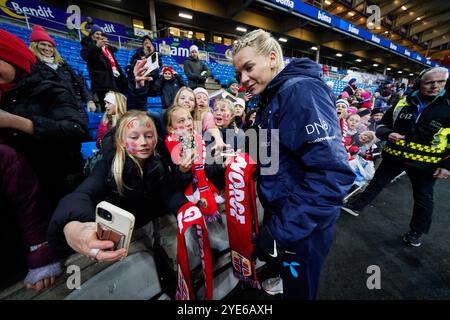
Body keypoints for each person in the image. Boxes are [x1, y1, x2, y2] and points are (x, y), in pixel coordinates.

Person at [232, 29, 355, 299]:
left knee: (299, 290)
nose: (243, 80)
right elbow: (273, 154)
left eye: (249, 67)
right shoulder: (271, 96)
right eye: (238, 73)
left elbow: (332, 174)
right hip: (290, 217)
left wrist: (280, 231)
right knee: (292, 282)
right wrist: (229, 150)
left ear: (273, 57)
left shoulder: (300, 91)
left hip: (303, 226)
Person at [0, 29, 88, 290]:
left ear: (13, 59)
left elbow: (76, 130)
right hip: (15, 203)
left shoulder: (51, 87)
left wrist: (14, 122)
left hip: (55, 189)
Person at [48, 110, 188, 261]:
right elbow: (81, 195)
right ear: (121, 140)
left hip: (155, 231)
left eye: (149, 136)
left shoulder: (160, 159)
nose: (143, 142)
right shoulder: (108, 166)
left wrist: (185, 208)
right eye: (134, 137)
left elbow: (168, 191)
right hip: (127, 244)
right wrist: (74, 227)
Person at [342, 67, 450, 248]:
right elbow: (383, 125)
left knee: (423, 198)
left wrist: (447, 164)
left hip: (425, 164)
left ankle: (416, 232)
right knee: (376, 183)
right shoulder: (402, 102)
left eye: (440, 82)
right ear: (419, 83)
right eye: (429, 82)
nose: (435, 86)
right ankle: (356, 206)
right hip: (394, 156)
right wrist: (388, 133)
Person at [28, 25, 96, 112]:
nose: (47, 48)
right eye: (43, 44)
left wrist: (89, 100)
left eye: (50, 46)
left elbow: (79, 82)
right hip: (49, 110)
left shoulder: (63, 64)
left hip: (74, 108)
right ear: (35, 46)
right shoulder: (32, 64)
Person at [80, 25, 127, 111]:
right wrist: (97, 47)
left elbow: (114, 63)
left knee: (117, 110)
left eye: (101, 34)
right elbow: (88, 58)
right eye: (97, 33)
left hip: (113, 82)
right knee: (107, 110)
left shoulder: (105, 47)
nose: (99, 36)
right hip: (101, 84)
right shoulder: (87, 46)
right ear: (91, 35)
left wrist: (123, 78)